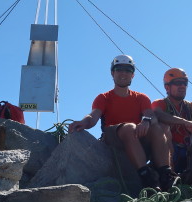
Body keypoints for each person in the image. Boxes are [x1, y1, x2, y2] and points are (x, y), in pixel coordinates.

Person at [68, 55, 175, 191]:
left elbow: (150, 116)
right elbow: (93, 116)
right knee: (130, 127)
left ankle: (165, 175)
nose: (123, 73)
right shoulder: (103, 98)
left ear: (133, 75)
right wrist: (83, 122)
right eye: (119, 69)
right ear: (113, 73)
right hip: (114, 139)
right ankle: (146, 177)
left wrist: (146, 121)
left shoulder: (142, 98)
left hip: (135, 138)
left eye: (128, 70)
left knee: (159, 128)